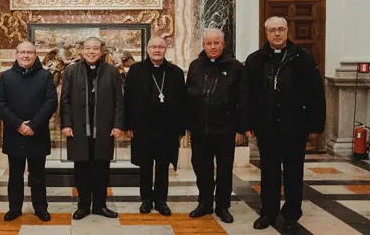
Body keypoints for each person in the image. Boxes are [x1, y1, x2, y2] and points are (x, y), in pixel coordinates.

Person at [246, 16, 325, 233]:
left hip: (295, 127)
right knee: (269, 172)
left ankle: (291, 214)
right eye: (272, 30)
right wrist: (248, 122)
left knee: (293, 172)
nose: (277, 34)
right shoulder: (255, 60)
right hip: (266, 127)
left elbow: (316, 92)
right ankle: (268, 213)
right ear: (266, 33)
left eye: (281, 29)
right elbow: (247, 95)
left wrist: (315, 125)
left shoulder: (303, 57)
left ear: (288, 31)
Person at [185, 28, 250, 224]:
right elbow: (188, 97)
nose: (212, 47)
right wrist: (188, 125)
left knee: (224, 169)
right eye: (208, 43)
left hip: (225, 129)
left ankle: (222, 206)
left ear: (223, 44)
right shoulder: (195, 66)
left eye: (216, 43)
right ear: (203, 45)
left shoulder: (236, 67)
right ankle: (204, 203)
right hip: (200, 129)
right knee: (201, 167)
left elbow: (243, 99)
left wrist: (240, 129)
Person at [61, 37, 124, 220]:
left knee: (102, 170)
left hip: (103, 129)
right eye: (88, 48)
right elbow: (65, 100)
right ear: (82, 51)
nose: (91, 51)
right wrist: (66, 124)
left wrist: (118, 124)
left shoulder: (112, 71)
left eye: (95, 48)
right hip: (78, 129)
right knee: (81, 169)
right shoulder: (71, 71)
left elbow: (119, 101)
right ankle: (82, 206)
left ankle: (100, 205)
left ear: (101, 51)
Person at [0, 41, 58, 222]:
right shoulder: (6, 77)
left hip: (37, 133)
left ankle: (40, 208)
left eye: (30, 52)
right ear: (16, 54)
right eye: (22, 52)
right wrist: (19, 124)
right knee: (15, 175)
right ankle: (14, 208)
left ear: (35, 55)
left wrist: (33, 125)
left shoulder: (45, 76)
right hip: (15, 133)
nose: (26, 56)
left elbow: (51, 102)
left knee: (38, 175)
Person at [124, 37, 186, 216]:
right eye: (153, 47)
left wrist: (180, 129)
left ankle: (161, 201)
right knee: (145, 165)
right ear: (147, 49)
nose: (157, 50)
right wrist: (128, 125)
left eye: (160, 47)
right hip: (142, 127)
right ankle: (146, 200)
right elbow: (127, 98)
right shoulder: (136, 70)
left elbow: (183, 102)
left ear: (165, 49)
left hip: (167, 128)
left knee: (162, 166)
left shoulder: (175, 72)